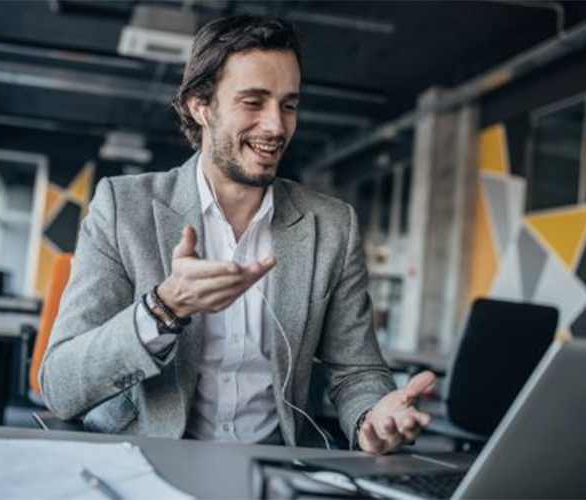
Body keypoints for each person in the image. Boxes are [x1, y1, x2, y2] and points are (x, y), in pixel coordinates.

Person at [40, 14, 434, 453]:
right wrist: (163, 309)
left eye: (288, 105)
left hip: (273, 468)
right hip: (146, 461)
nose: (276, 126)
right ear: (200, 106)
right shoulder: (122, 208)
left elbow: (357, 371)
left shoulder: (332, 225)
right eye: (253, 101)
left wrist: (372, 416)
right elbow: (61, 385)